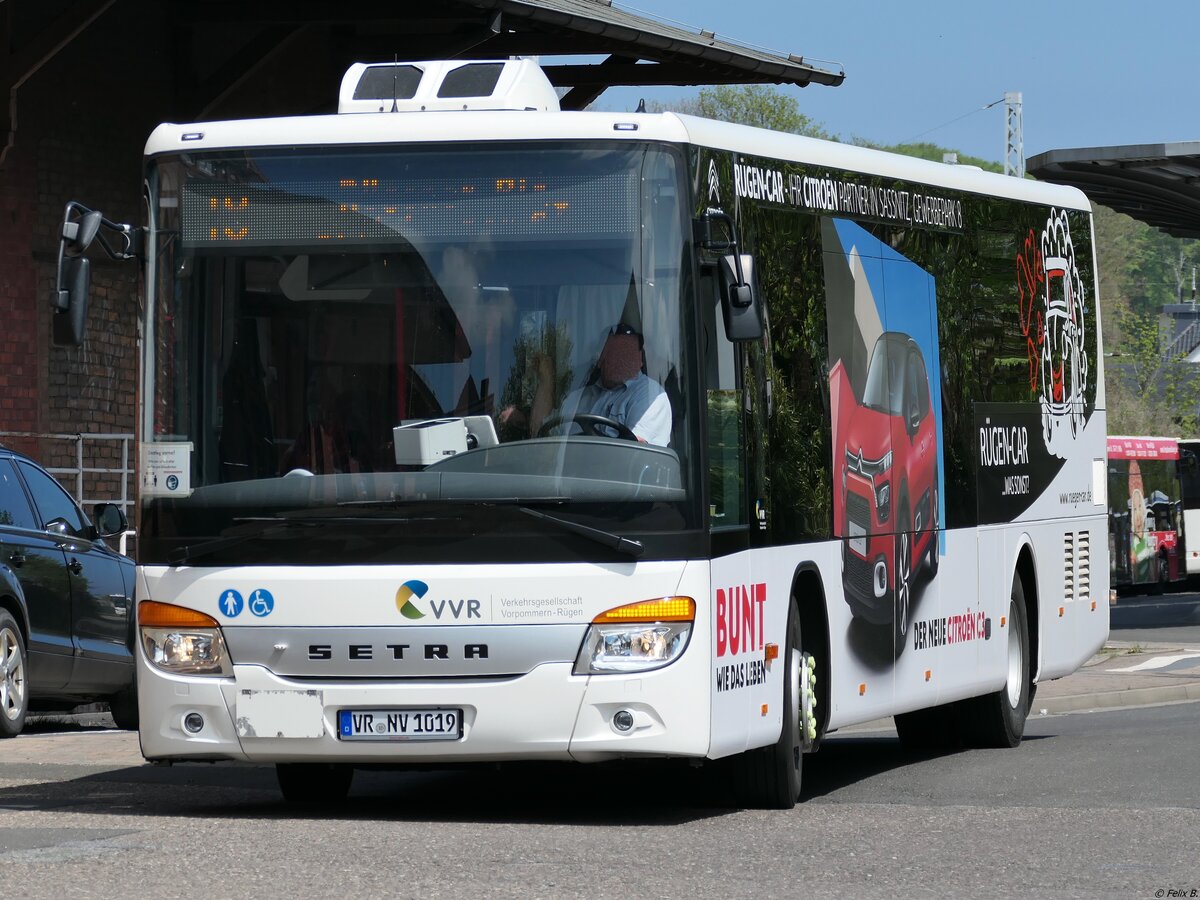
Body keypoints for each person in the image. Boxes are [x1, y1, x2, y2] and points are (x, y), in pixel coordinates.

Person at [552, 323, 672, 446]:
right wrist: (545, 378)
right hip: (568, 464)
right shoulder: (576, 398)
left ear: (640, 359)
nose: (621, 359)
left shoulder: (650, 395)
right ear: (600, 358)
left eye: (627, 352)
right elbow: (545, 433)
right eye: (614, 352)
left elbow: (635, 454)